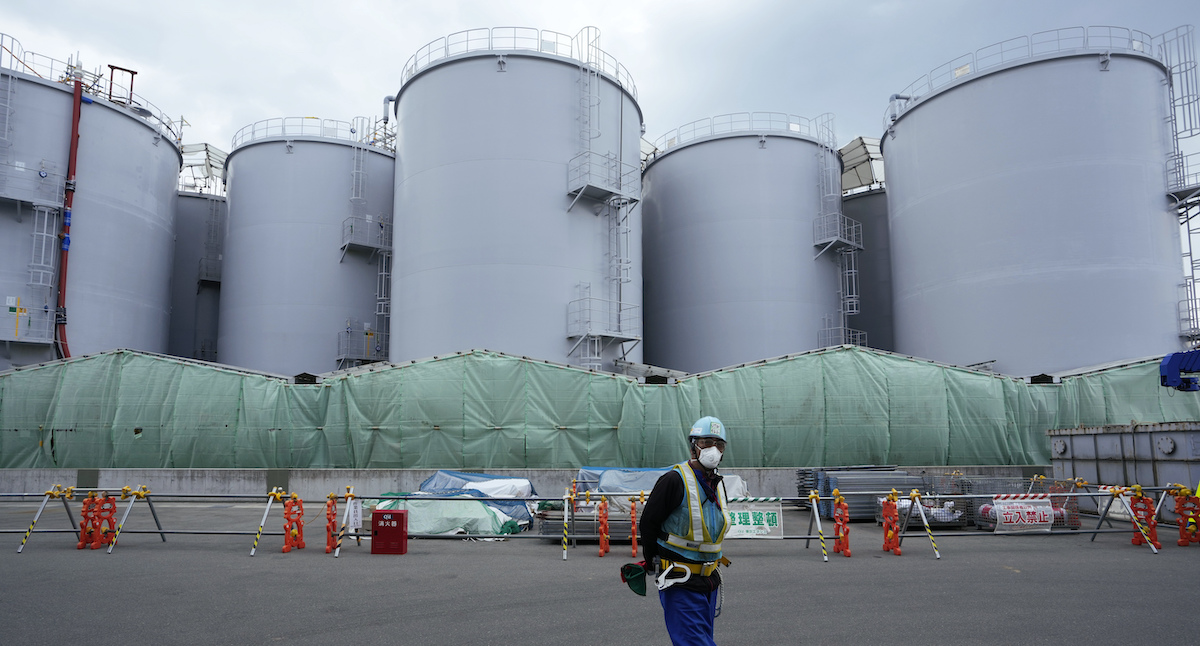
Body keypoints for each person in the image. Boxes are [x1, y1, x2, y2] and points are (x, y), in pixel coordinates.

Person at [639, 416, 732, 646]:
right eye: (707, 442)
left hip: (710, 581)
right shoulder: (674, 480)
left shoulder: (717, 484)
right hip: (680, 581)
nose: (714, 449)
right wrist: (652, 561)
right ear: (693, 447)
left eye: (719, 445)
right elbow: (648, 524)